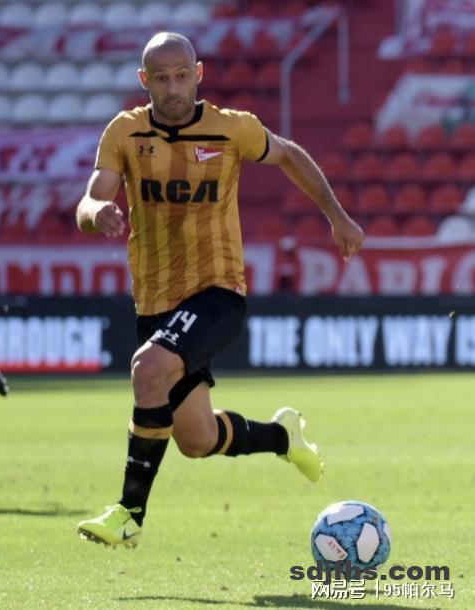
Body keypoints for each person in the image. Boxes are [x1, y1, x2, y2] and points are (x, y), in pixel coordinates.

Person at [76, 32, 365, 549]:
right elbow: (89, 198)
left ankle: (128, 515)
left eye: (180, 75)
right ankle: (283, 436)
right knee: (196, 438)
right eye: (160, 78)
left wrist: (337, 217)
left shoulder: (232, 129)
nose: (172, 88)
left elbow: (289, 155)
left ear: (198, 74)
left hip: (217, 291)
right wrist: (97, 211)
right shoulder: (125, 131)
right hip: (156, 302)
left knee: (148, 369)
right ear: (144, 81)